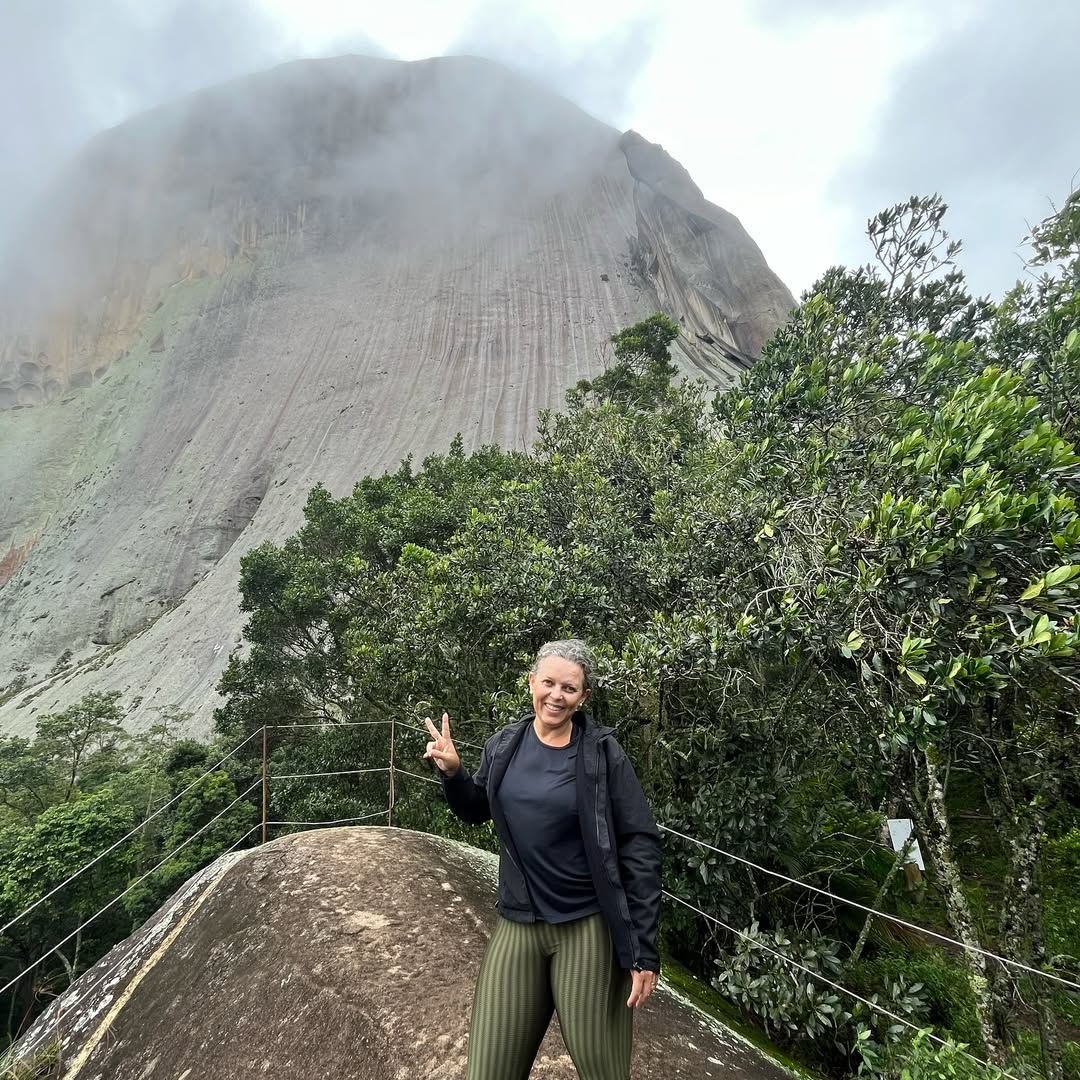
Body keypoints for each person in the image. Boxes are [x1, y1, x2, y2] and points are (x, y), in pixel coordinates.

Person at [423, 638, 662, 1080]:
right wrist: (454, 773)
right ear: (531, 682)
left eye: (569, 688)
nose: (556, 695)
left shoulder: (602, 753)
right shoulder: (504, 745)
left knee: (603, 1071)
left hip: (586, 925)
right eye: (548, 683)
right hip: (519, 923)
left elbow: (639, 845)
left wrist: (643, 952)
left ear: (584, 696)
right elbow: (476, 810)